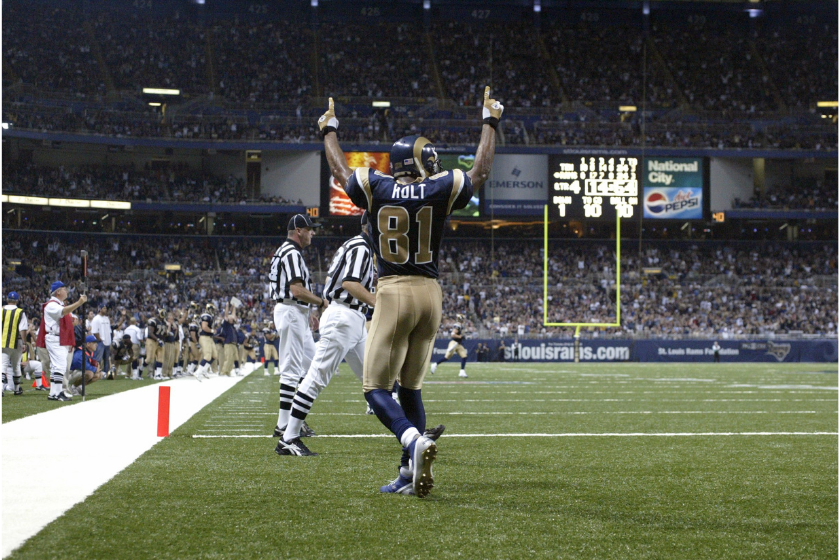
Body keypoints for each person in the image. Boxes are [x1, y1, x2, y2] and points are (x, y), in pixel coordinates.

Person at [320, 86, 502, 497]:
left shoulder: (377, 186)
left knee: (375, 389)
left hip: (393, 289)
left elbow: (338, 171)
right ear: (419, 162)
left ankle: (412, 441)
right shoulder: (440, 187)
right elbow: (480, 171)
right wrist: (490, 122)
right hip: (431, 294)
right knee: (411, 387)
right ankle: (407, 472)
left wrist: (329, 129)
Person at [276, 212, 377, 457]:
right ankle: (288, 436)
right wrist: (378, 303)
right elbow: (348, 283)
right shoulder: (361, 247)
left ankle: (410, 431)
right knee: (314, 376)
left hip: (349, 316)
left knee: (374, 376)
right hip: (342, 316)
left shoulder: (356, 245)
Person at [268, 213, 326, 438]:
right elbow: (296, 290)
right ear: (298, 231)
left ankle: (293, 418)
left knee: (313, 366)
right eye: (310, 229)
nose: (313, 233)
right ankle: (284, 424)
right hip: (290, 311)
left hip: (296, 312)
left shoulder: (288, 250)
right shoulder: (291, 252)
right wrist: (320, 302)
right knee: (291, 370)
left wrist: (308, 311)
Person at [43, 281, 87, 401]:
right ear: (58, 291)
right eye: (64, 289)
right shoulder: (51, 304)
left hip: (58, 337)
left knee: (56, 366)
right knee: (60, 366)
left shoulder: (59, 304)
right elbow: (64, 312)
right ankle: (58, 393)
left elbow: (72, 318)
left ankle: (53, 393)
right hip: (55, 337)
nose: (66, 291)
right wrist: (79, 303)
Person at [2, 292, 29, 395]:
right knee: (16, 365)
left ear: (7, 299)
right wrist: (24, 343)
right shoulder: (20, 312)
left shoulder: (1, 310)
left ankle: (1, 389)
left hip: (3, 341)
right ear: (17, 300)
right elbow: (22, 329)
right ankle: (17, 389)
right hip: (16, 341)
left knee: (3, 365)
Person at [430, 313, 469, 378]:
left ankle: (462, 371)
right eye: (463, 318)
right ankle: (435, 364)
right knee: (446, 357)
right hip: (454, 343)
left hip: (458, 344)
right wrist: (460, 336)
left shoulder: (460, 325)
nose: (464, 320)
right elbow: (453, 334)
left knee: (464, 356)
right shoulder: (457, 325)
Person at [194, 303, 219, 379]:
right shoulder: (206, 316)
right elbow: (204, 327)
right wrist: (212, 330)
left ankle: (204, 370)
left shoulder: (210, 316)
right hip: (204, 337)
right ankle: (197, 372)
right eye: (212, 309)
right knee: (207, 356)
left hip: (209, 337)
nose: (213, 311)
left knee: (214, 355)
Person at [90, 305, 112, 375]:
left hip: (107, 341)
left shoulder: (106, 318)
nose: (106, 309)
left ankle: (105, 373)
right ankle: (96, 372)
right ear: (100, 309)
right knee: (98, 359)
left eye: (106, 308)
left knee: (106, 359)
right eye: (104, 308)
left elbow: (109, 330)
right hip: (100, 342)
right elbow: (95, 331)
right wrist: (99, 340)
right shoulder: (96, 319)